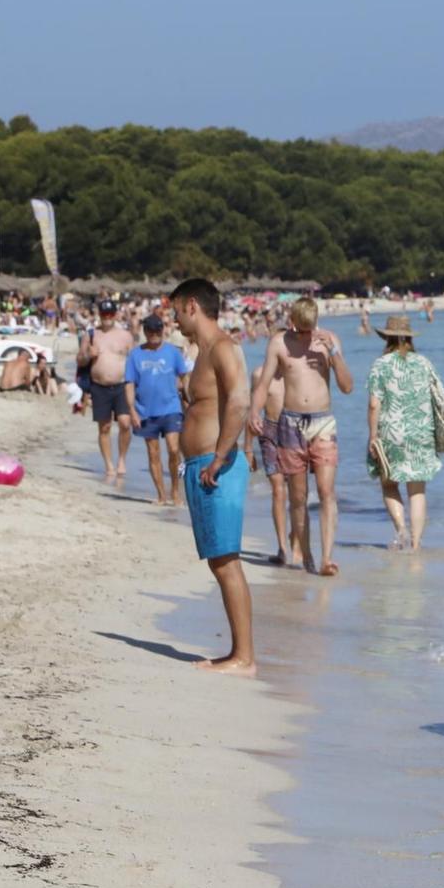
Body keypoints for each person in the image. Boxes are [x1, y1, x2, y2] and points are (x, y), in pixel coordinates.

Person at [169, 278, 256, 674]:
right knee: (218, 561)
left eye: (175, 310)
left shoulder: (223, 346)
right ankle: (239, 652)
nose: (173, 319)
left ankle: (244, 657)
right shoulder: (200, 351)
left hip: (215, 467)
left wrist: (219, 457)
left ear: (191, 305)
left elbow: (240, 399)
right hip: (201, 465)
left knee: (226, 561)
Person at [248, 298, 353, 576]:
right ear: (293, 322)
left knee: (327, 492)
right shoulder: (280, 343)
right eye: (303, 330)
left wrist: (334, 354)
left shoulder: (328, 341)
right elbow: (263, 383)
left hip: (323, 424)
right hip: (290, 423)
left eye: (312, 329)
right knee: (298, 496)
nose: (308, 336)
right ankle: (305, 553)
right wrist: (254, 412)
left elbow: (347, 386)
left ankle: (327, 558)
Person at [365, 315, 442, 551]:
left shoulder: (380, 365)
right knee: (417, 490)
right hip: (421, 431)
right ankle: (416, 545)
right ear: (409, 338)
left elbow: (374, 404)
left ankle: (401, 531)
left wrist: (372, 435)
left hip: (392, 433)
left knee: (389, 484)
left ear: (386, 337)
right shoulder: (423, 363)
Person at [124, 316, 191, 507]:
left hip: (171, 408)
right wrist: (132, 411)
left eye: (158, 331)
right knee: (153, 453)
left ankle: (176, 492)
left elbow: (184, 377)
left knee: (174, 449)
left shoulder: (173, 353)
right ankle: (161, 495)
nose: (154, 334)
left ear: (163, 331)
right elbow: (129, 384)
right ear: (145, 331)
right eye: (151, 331)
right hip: (145, 410)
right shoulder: (136, 355)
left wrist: (190, 400)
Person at [249, 333, 291, 566]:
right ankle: (282, 546)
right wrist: (247, 448)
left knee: (297, 491)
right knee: (277, 489)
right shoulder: (259, 374)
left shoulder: (295, 371)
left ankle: (296, 540)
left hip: (295, 431)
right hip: (270, 431)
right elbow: (252, 409)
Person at [88, 302, 136, 480]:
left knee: (125, 423)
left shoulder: (125, 336)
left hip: (122, 385)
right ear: (99, 314)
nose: (107, 317)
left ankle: (122, 459)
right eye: (104, 313)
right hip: (99, 386)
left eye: (110, 313)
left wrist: (137, 385)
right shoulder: (92, 334)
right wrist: (88, 354)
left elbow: (134, 361)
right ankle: (109, 464)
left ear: (115, 315)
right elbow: (81, 360)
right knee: (105, 427)